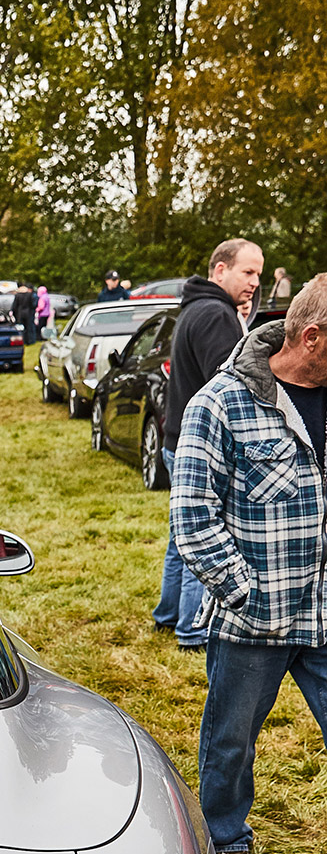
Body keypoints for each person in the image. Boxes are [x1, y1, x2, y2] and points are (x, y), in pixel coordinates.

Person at [172, 273, 327, 854]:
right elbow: (192, 518)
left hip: (324, 612)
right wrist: (245, 592)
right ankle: (226, 836)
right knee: (230, 741)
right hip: (252, 618)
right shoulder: (221, 403)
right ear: (313, 337)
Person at [156, 237, 264, 650]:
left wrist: (242, 319)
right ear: (220, 270)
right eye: (247, 272)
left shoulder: (197, 308)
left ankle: (168, 615)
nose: (255, 281)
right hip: (200, 445)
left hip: (176, 437)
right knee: (200, 536)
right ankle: (191, 629)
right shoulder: (216, 315)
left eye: (258, 273)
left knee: (177, 533)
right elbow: (235, 380)